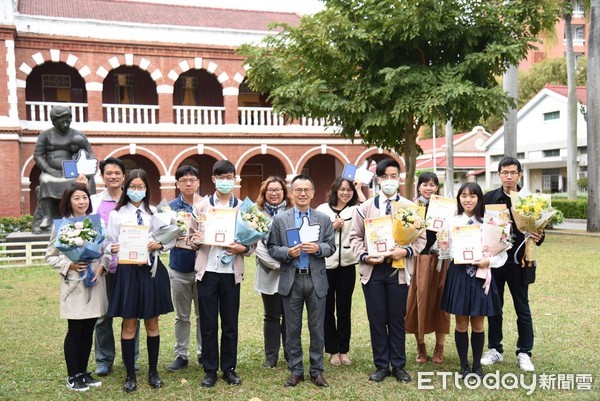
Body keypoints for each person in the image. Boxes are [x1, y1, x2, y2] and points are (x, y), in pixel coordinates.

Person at [349, 158, 425, 384]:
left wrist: (406, 252)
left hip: (399, 271)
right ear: (378, 180)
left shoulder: (411, 208)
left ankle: (399, 366)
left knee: (396, 319)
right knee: (377, 318)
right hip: (373, 271)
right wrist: (364, 256)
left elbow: (421, 240)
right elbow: (354, 236)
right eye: (385, 177)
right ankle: (381, 365)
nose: (389, 181)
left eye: (394, 176)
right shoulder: (365, 208)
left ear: (399, 179)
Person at [106, 169, 175, 392]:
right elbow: (106, 243)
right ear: (126, 188)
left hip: (151, 271)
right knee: (129, 322)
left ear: (147, 189)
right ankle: (129, 375)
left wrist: (160, 245)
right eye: (133, 187)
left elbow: (169, 238)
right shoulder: (117, 215)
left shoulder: (156, 213)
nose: (137, 191)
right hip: (127, 273)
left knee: (152, 322)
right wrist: (112, 248)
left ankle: (153, 372)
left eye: (141, 187)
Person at [267, 174, 335, 388]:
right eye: (298, 190)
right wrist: (287, 252)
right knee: (292, 328)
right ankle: (296, 370)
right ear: (292, 192)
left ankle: (317, 370)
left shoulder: (323, 219)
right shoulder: (280, 220)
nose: (303, 193)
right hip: (292, 279)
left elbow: (331, 247)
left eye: (307, 190)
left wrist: (319, 248)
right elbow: (271, 248)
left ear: (313, 193)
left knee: (317, 328)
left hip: (316, 280)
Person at [191, 160, 254, 388]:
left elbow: (252, 244)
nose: (225, 181)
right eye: (221, 177)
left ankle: (229, 369)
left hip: (230, 273)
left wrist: (242, 248)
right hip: (207, 272)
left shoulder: (244, 208)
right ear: (213, 179)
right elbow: (191, 237)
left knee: (230, 324)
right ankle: (210, 370)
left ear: (235, 179)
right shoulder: (201, 206)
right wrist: (195, 241)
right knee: (208, 324)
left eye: (229, 177)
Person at [481, 157, 545, 372]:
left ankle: (525, 352)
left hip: (520, 262)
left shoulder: (529, 199)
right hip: (496, 262)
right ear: (498, 175)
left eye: (512, 172)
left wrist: (539, 234)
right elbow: (481, 228)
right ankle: (495, 349)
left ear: (519, 175)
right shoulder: (489, 198)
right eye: (504, 172)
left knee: (522, 307)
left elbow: (538, 232)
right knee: (494, 308)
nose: (508, 176)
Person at [46, 183, 108, 392]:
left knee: (89, 329)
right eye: (77, 198)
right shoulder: (61, 226)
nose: (82, 202)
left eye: (84, 197)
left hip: (93, 282)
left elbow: (104, 250)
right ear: (68, 201)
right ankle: (72, 375)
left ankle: (83, 372)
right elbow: (51, 256)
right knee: (75, 330)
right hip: (74, 285)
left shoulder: (94, 224)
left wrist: (100, 270)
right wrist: (70, 264)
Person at [440, 182, 504, 378]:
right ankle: (463, 366)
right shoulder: (450, 222)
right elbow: (445, 252)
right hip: (459, 274)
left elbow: (502, 254)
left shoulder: (490, 223)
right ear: (459, 199)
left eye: (472, 196)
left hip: (480, 276)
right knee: (460, 323)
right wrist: (443, 247)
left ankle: (477, 366)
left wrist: (488, 261)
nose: (468, 199)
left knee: (478, 324)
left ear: (479, 199)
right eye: (464, 195)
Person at [91, 157, 140, 377]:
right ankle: (104, 359)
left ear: (123, 176)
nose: (113, 176)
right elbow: (91, 234)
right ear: (102, 176)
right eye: (108, 173)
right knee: (103, 315)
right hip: (104, 266)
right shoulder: (94, 202)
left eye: (117, 173)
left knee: (132, 312)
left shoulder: (132, 199)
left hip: (130, 266)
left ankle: (133, 357)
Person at [316, 177, 365, 366]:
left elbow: (369, 215)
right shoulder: (321, 209)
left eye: (349, 190)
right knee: (327, 309)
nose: (346, 193)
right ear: (335, 189)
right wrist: (332, 226)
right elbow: (315, 233)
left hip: (347, 266)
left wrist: (360, 189)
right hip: (326, 267)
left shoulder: (355, 210)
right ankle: (332, 350)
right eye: (342, 189)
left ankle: (344, 349)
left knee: (344, 309)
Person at [405, 172, 450, 364]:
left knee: (442, 303)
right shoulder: (411, 208)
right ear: (418, 186)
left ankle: (439, 348)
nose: (429, 188)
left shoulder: (445, 207)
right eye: (425, 184)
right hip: (419, 259)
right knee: (419, 302)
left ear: (437, 187)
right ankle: (421, 347)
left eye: (432, 185)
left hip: (441, 258)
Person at [33, 105, 96, 233]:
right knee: (45, 181)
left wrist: (86, 173)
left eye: (68, 120)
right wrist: (48, 169)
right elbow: (38, 155)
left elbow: (91, 154)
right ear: (54, 121)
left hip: (73, 173)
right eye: (62, 121)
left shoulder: (78, 135)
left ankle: (83, 215)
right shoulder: (45, 135)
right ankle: (47, 216)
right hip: (50, 172)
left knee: (83, 183)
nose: (66, 124)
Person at [253, 176, 293, 369]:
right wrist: (276, 264)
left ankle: (290, 353)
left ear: (284, 192)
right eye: (270, 190)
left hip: (290, 272)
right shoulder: (257, 214)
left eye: (278, 190)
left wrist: (287, 262)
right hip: (268, 271)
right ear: (264, 193)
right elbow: (257, 245)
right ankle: (271, 356)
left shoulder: (292, 213)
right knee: (271, 315)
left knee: (289, 315)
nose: (274, 193)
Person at [167, 165, 202, 372]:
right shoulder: (170, 208)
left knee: (203, 315)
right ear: (177, 184)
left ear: (198, 183)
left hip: (203, 269)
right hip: (179, 268)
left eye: (192, 179)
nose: (188, 183)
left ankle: (203, 352)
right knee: (182, 315)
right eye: (184, 180)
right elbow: (161, 236)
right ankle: (181, 355)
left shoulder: (208, 206)